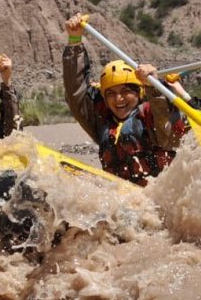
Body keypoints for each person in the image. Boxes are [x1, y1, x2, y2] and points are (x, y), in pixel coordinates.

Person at [62, 13, 187, 186]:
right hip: (121, 196)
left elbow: (168, 130)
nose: (118, 99)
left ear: (139, 93)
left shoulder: (151, 114)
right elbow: (76, 94)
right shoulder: (101, 121)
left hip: (155, 197)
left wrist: (153, 85)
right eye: (111, 94)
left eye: (126, 91)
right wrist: (74, 41)